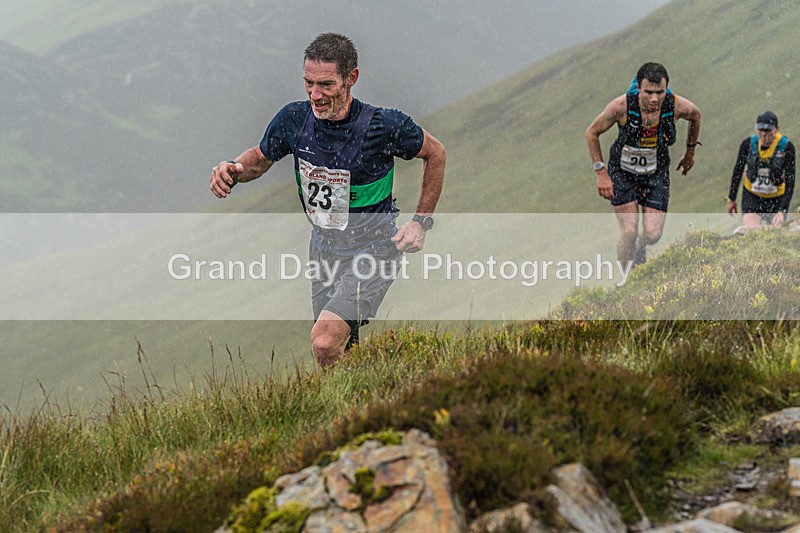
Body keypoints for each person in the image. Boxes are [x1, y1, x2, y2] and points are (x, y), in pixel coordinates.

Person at [210, 33, 445, 368]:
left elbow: (436, 153)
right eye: (308, 83)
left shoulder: (383, 125)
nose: (315, 96)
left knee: (323, 341)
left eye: (326, 85)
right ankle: (358, 410)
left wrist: (420, 223)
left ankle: (347, 412)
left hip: (375, 248)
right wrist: (233, 169)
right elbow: (260, 159)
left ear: (351, 79)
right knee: (342, 351)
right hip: (323, 249)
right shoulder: (294, 119)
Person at [586, 62, 701, 265]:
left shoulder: (676, 105)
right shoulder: (621, 107)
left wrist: (690, 152)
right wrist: (601, 172)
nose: (655, 98)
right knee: (629, 231)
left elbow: (696, 115)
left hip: (656, 172)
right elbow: (591, 132)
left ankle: (639, 249)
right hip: (622, 171)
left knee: (653, 234)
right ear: (638, 87)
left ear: (667, 88)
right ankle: (626, 280)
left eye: (660, 92)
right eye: (648, 92)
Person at [727, 111, 795, 229]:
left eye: (768, 130)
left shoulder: (787, 147)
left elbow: (790, 180)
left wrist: (782, 210)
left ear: (777, 129)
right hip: (752, 196)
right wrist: (731, 198)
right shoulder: (747, 144)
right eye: (760, 130)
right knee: (752, 231)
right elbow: (737, 171)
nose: (764, 134)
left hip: (776, 198)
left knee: (775, 233)